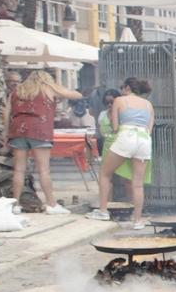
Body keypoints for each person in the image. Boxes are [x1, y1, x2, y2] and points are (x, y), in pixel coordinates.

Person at [8, 71, 83, 211]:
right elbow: (77, 95)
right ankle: (51, 204)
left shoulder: (17, 91)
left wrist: (5, 134)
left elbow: (6, 113)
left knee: (18, 170)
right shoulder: (47, 88)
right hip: (40, 131)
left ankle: (15, 205)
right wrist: (54, 87)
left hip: (18, 130)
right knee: (44, 170)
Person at [91, 77, 155, 226]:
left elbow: (115, 127)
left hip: (126, 135)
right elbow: (149, 128)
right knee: (138, 183)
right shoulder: (148, 105)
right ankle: (138, 220)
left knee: (105, 173)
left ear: (127, 88)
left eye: (122, 88)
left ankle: (103, 211)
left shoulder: (120, 100)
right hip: (144, 140)